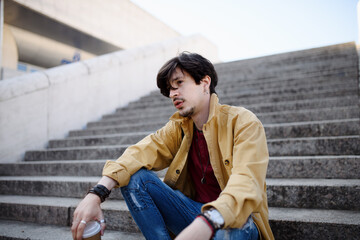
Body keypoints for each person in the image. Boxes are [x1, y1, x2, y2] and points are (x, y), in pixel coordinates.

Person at [71, 52, 274, 240]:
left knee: (228, 231)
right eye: (170, 88)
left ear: (205, 83)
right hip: (195, 215)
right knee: (136, 178)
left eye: (179, 83)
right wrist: (96, 194)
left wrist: (209, 221)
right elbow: (138, 154)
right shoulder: (179, 127)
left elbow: (247, 182)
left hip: (238, 220)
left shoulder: (243, 122)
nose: (172, 93)